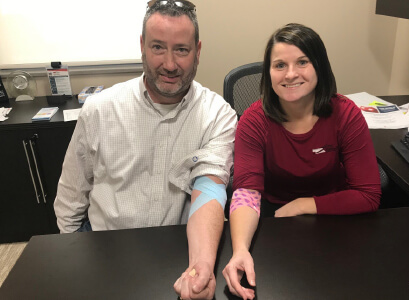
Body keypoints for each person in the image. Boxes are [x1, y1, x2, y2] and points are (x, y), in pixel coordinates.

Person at [54, 1, 237, 299]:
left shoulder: (218, 114)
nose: (169, 64)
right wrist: (74, 259)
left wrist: (200, 266)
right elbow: (72, 196)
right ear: (142, 46)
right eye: (157, 47)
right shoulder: (100, 110)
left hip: (180, 251)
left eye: (181, 49)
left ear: (198, 51)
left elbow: (210, 187)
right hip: (105, 248)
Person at [222, 23, 381, 299]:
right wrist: (240, 251)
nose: (291, 74)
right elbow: (246, 192)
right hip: (272, 217)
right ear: (268, 72)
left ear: (319, 65)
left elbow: (368, 194)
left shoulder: (346, 115)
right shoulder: (253, 121)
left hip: (332, 214)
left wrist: (304, 205)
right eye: (280, 65)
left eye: (302, 62)